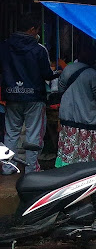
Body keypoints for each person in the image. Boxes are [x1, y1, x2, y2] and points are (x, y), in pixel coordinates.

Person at [0, 13, 58, 174]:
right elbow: (47, 74)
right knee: (34, 134)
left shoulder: (4, 46)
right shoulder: (39, 49)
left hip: (11, 96)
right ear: (32, 29)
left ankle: (7, 167)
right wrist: (57, 73)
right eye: (37, 30)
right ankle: (31, 169)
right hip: (34, 97)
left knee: (11, 133)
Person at [56, 48, 96, 167]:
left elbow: (60, 89)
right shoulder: (94, 75)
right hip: (86, 119)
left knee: (67, 149)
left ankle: (64, 170)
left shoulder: (68, 69)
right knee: (85, 153)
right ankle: (82, 172)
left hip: (67, 117)